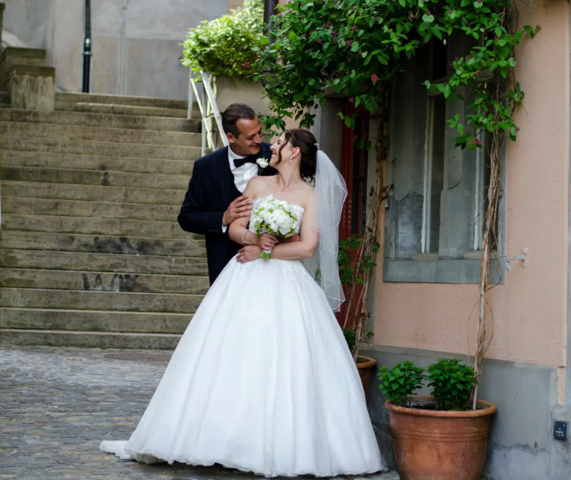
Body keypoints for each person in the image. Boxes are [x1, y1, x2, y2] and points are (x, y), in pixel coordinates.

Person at [101, 129, 385, 478]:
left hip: (287, 283)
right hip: (244, 277)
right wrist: (252, 236)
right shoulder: (256, 185)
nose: (273, 146)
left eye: (280, 142)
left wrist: (267, 249)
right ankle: (216, 437)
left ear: (294, 152)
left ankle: (284, 445)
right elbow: (235, 228)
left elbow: (308, 247)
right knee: (229, 353)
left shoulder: (310, 195)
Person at [177, 103, 276, 285]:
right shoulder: (205, 167)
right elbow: (186, 217)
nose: (258, 140)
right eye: (250, 137)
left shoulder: (276, 158)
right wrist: (222, 218)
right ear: (230, 137)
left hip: (270, 263)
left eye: (260, 133)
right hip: (224, 265)